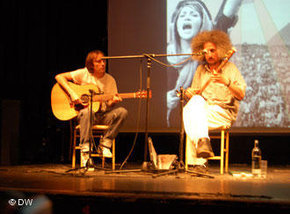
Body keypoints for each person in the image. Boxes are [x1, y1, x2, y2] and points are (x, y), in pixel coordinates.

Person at [166, 0, 242, 126]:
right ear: (176, 24)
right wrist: (164, 101)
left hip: (205, 115)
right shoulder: (165, 56)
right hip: (173, 122)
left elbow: (227, 14)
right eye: (182, 15)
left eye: (194, 15)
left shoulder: (209, 54)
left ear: (203, 22)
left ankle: (203, 144)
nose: (187, 18)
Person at [183, 30, 246, 172]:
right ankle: (203, 142)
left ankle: (198, 163)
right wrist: (189, 93)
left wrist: (227, 82)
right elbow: (195, 96)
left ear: (221, 49)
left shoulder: (230, 68)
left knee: (190, 115)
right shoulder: (200, 70)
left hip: (223, 113)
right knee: (194, 105)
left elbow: (241, 95)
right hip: (204, 112)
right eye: (206, 51)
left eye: (212, 50)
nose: (209, 55)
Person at [55, 50, 128, 166]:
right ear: (91, 64)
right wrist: (72, 94)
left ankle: (105, 144)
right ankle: (85, 151)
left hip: (102, 115)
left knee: (122, 112)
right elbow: (59, 77)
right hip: (85, 115)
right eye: (99, 61)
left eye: (104, 61)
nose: (103, 64)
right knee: (87, 111)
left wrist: (112, 102)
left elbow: (109, 104)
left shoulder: (110, 80)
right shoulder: (83, 73)